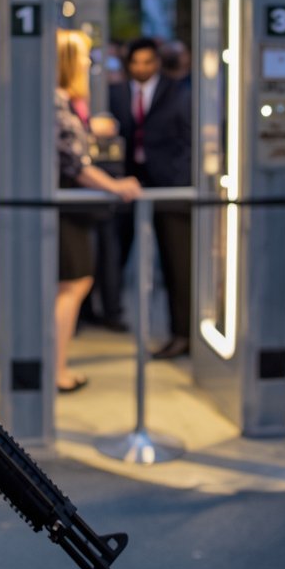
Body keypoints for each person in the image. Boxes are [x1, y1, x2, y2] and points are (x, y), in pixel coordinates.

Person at [55, 30, 141, 392]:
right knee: (73, 284)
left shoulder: (60, 101)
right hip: (64, 210)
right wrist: (115, 185)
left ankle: (56, 365)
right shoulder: (56, 102)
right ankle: (57, 369)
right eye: (84, 58)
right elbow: (74, 163)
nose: (89, 65)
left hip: (66, 208)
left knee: (73, 283)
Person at [109, 37, 192, 359]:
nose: (141, 68)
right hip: (126, 184)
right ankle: (109, 313)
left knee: (177, 263)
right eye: (136, 62)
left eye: (148, 62)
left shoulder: (178, 91)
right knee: (114, 252)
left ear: (157, 62)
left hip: (170, 187)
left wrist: (180, 182)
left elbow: (188, 140)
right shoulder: (117, 94)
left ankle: (182, 333)